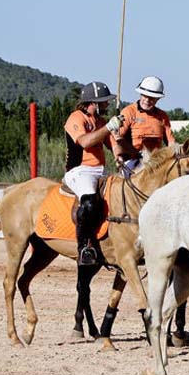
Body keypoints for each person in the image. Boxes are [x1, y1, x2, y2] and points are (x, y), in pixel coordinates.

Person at [63, 81, 123, 266]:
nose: (107, 104)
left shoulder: (101, 121)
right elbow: (85, 142)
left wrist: (119, 155)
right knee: (89, 201)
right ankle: (84, 247)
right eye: (104, 101)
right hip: (79, 171)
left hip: (100, 171)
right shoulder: (76, 118)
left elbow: (113, 145)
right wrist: (108, 128)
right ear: (93, 103)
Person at [113, 76, 176, 174]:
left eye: (151, 98)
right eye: (144, 96)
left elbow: (171, 143)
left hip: (156, 162)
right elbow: (116, 138)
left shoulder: (163, 116)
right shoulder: (129, 112)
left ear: (158, 99)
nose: (146, 100)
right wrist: (120, 155)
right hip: (133, 161)